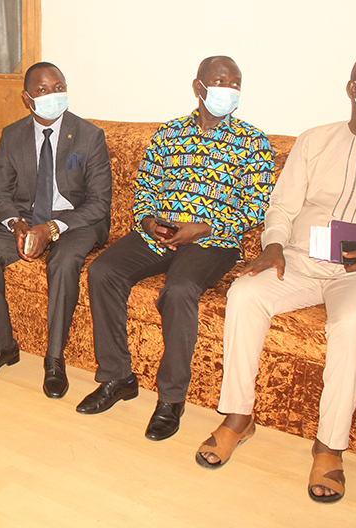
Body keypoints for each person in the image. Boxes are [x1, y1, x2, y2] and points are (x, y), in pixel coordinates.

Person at [197, 52, 356, 504]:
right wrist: (273, 244)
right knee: (245, 292)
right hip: (304, 259)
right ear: (354, 90)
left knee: (351, 324)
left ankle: (330, 446)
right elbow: (284, 207)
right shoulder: (315, 141)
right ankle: (237, 417)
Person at [78, 56, 274, 443]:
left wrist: (206, 227)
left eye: (235, 84)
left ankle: (170, 399)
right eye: (220, 82)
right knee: (103, 271)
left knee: (180, 290)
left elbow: (257, 205)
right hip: (159, 234)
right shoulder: (169, 134)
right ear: (199, 87)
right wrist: (149, 221)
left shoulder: (253, 142)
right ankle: (117, 377)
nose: (228, 90)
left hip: (213, 240)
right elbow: (145, 188)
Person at [0, 62, 112, 398]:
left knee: (63, 262)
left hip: (75, 221)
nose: (52, 95)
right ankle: (0, 347)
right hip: (26, 216)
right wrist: (16, 223)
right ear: (27, 98)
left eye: (58, 87)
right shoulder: (12, 135)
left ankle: (54, 360)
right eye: (43, 90)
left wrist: (51, 228)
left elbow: (99, 203)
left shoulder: (89, 136)